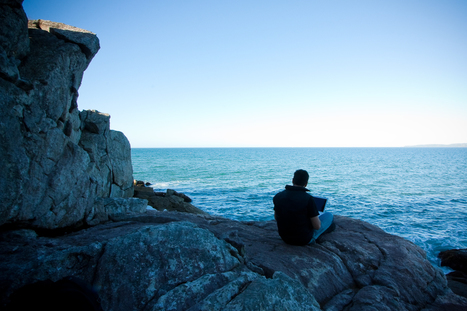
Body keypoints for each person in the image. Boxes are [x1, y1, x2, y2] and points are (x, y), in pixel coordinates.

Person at [273, 169, 335, 245]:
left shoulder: (278, 196)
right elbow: (317, 226)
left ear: (293, 180)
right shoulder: (308, 199)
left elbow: (276, 218)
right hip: (303, 239)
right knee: (329, 215)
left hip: (285, 238)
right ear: (306, 183)